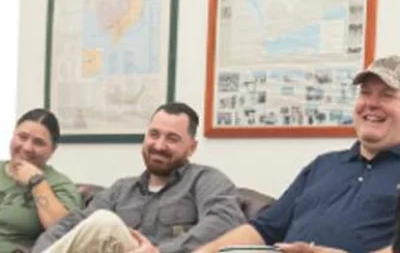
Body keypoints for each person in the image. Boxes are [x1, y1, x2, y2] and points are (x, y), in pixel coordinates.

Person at [194, 55, 400, 253]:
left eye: (387, 95)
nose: (371, 104)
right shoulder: (323, 166)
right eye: (365, 93)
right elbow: (263, 229)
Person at [32, 101, 246, 253]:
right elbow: (74, 226)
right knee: (89, 224)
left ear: (192, 147)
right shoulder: (121, 189)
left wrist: (160, 251)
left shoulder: (206, 180)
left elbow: (224, 222)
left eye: (172, 139)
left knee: (105, 223)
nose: (159, 145)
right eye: (154, 134)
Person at [0, 108, 82, 253]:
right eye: (22, 137)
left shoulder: (60, 184)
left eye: (38, 142)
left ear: (52, 150)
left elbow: (65, 234)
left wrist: (37, 182)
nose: (27, 148)